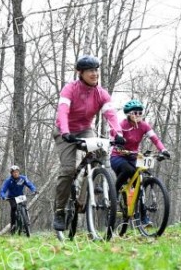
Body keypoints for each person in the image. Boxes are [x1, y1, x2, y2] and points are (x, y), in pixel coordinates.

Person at [53, 55, 125, 231]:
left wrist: (119, 134)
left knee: (99, 155)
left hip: (85, 129)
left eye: (96, 70)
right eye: (90, 71)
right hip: (65, 131)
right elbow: (62, 112)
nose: (94, 74)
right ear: (80, 73)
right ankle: (60, 210)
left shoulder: (101, 93)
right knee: (69, 169)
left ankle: (86, 193)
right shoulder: (70, 89)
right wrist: (65, 132)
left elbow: (110, 115)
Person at [110, 99, 171, 225]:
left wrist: (163, 150)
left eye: (140, 113)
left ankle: (143, 218)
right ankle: (114, 195)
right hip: (118, 156)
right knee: (128, 170)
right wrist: (118, 145)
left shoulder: (144, 125)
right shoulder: (122, 125)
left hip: (134, 156)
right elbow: (114, 136)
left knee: (140, 183)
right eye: (135, 113)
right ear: (129, 114)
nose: (138, 115)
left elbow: (155, 139)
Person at [0, 165, 38, 232]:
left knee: (24, 206)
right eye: (14, 172)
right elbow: (3, 190)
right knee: (13, 208)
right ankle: (13, 226)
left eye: (17, 172)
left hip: (20, 196)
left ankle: (26, 219)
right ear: (11, 173)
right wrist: (3, 196)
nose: (16, 173)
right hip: (12, 197)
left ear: (19, 172)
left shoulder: (23, 178)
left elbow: (30, 185)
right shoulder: (8, 181)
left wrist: (34, 190)